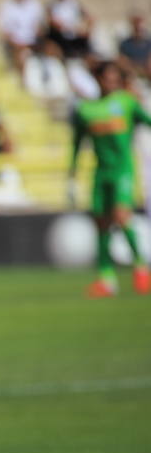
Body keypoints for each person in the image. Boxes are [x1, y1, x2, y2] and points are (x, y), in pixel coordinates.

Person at [68, 61, 151, 298]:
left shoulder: (126, 103)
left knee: (122, 217)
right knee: (101, 224)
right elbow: (77, 142)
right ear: (98, 79)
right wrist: (72, 171)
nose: (111, 83)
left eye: (115, 78)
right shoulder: (86, 110)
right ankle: (107, 279)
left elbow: (147, 121)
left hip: (123, 170)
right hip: (100, 172)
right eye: (107, 78)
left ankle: (141, 268)